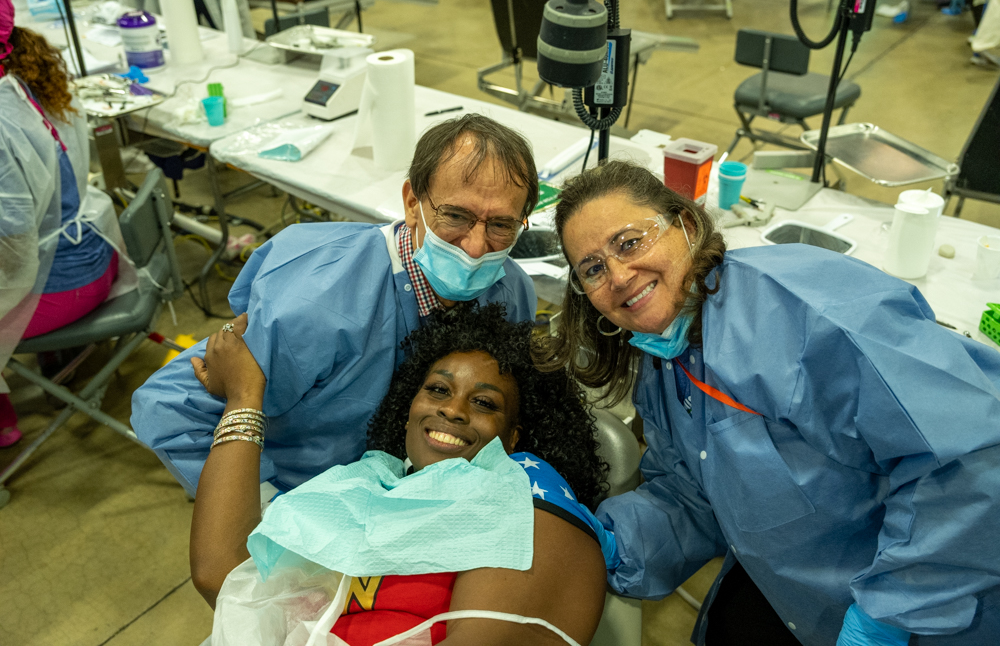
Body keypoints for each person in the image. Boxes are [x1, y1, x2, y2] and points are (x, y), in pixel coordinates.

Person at [539, 160, 1000, 646]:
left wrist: (886, 618)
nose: (618, 275)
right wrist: (596, 542)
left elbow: (973, 459)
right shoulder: (663, 365)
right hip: (797, 594)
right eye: (592, 268)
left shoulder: (806, 313)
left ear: (687, 226)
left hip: (936, 605)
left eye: (629, 243)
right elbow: (694, 496)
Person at [131, 114, 539, 496]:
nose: (475, 247)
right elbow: (168, 409)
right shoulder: (316, 304)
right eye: (455, 216)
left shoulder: (512, 293)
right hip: (308, 494)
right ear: (412, 203)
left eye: (502, 224)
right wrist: (262, 508)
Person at [191, 303, 613, 645]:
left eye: (484, 403)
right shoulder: (366, 484)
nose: (452, 409)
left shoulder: (526, 497)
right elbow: (225, 577)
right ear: (408, 408)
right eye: (438, 389)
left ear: (514, 436)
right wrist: (244, 397)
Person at [0, 0, 118, 447]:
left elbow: (12, 242)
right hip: (98, 257)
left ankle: (5, 428)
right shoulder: (29, 76)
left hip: (58, 288)